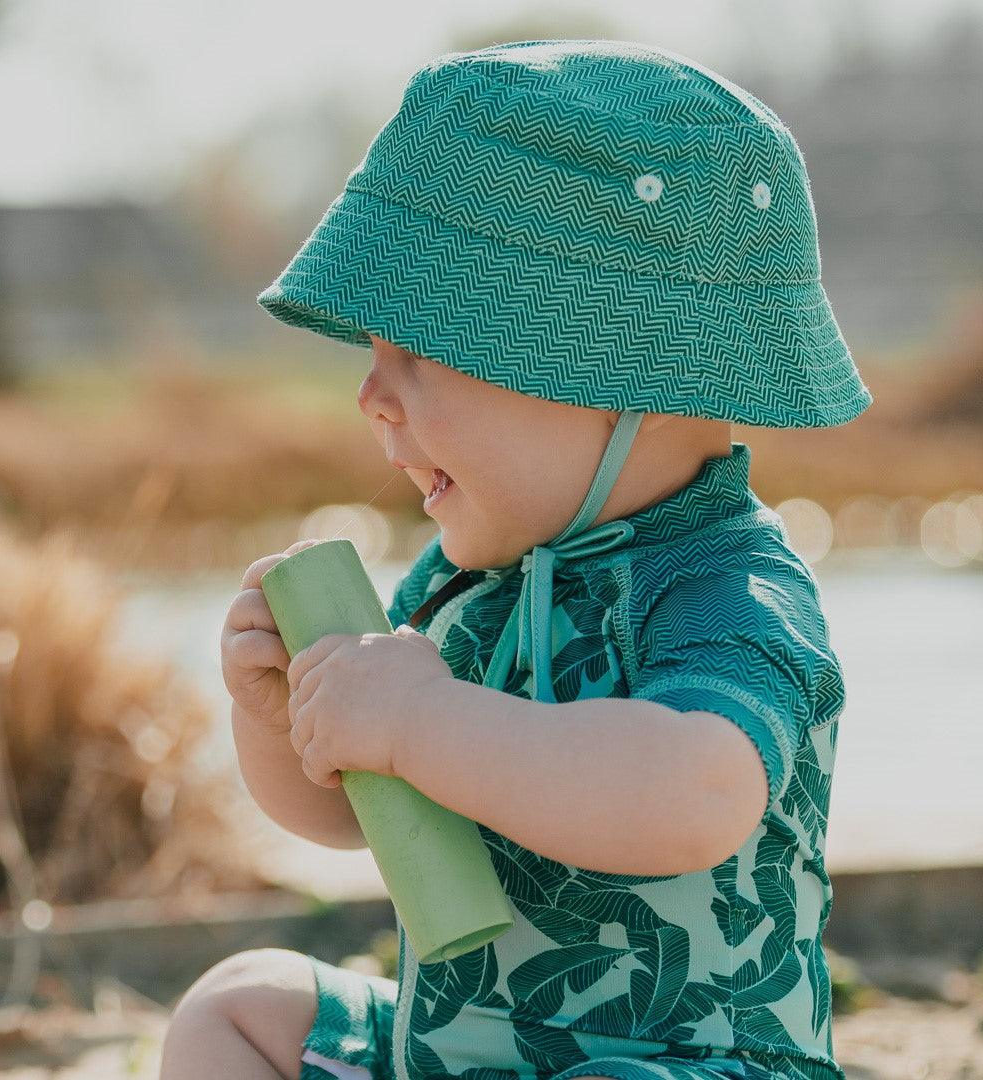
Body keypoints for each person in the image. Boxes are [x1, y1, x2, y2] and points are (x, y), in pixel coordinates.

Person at [160, 39, 873, 1080]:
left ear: (623, 367)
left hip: (677, 1060)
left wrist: (422, 722)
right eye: (373, 353)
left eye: (423, 352)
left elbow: (693, 795)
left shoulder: (725, 590)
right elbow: (350, 815)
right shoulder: (463, 580)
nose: (372, 396)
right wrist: (293, 719)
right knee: (238, 1008)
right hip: (459, 1052)